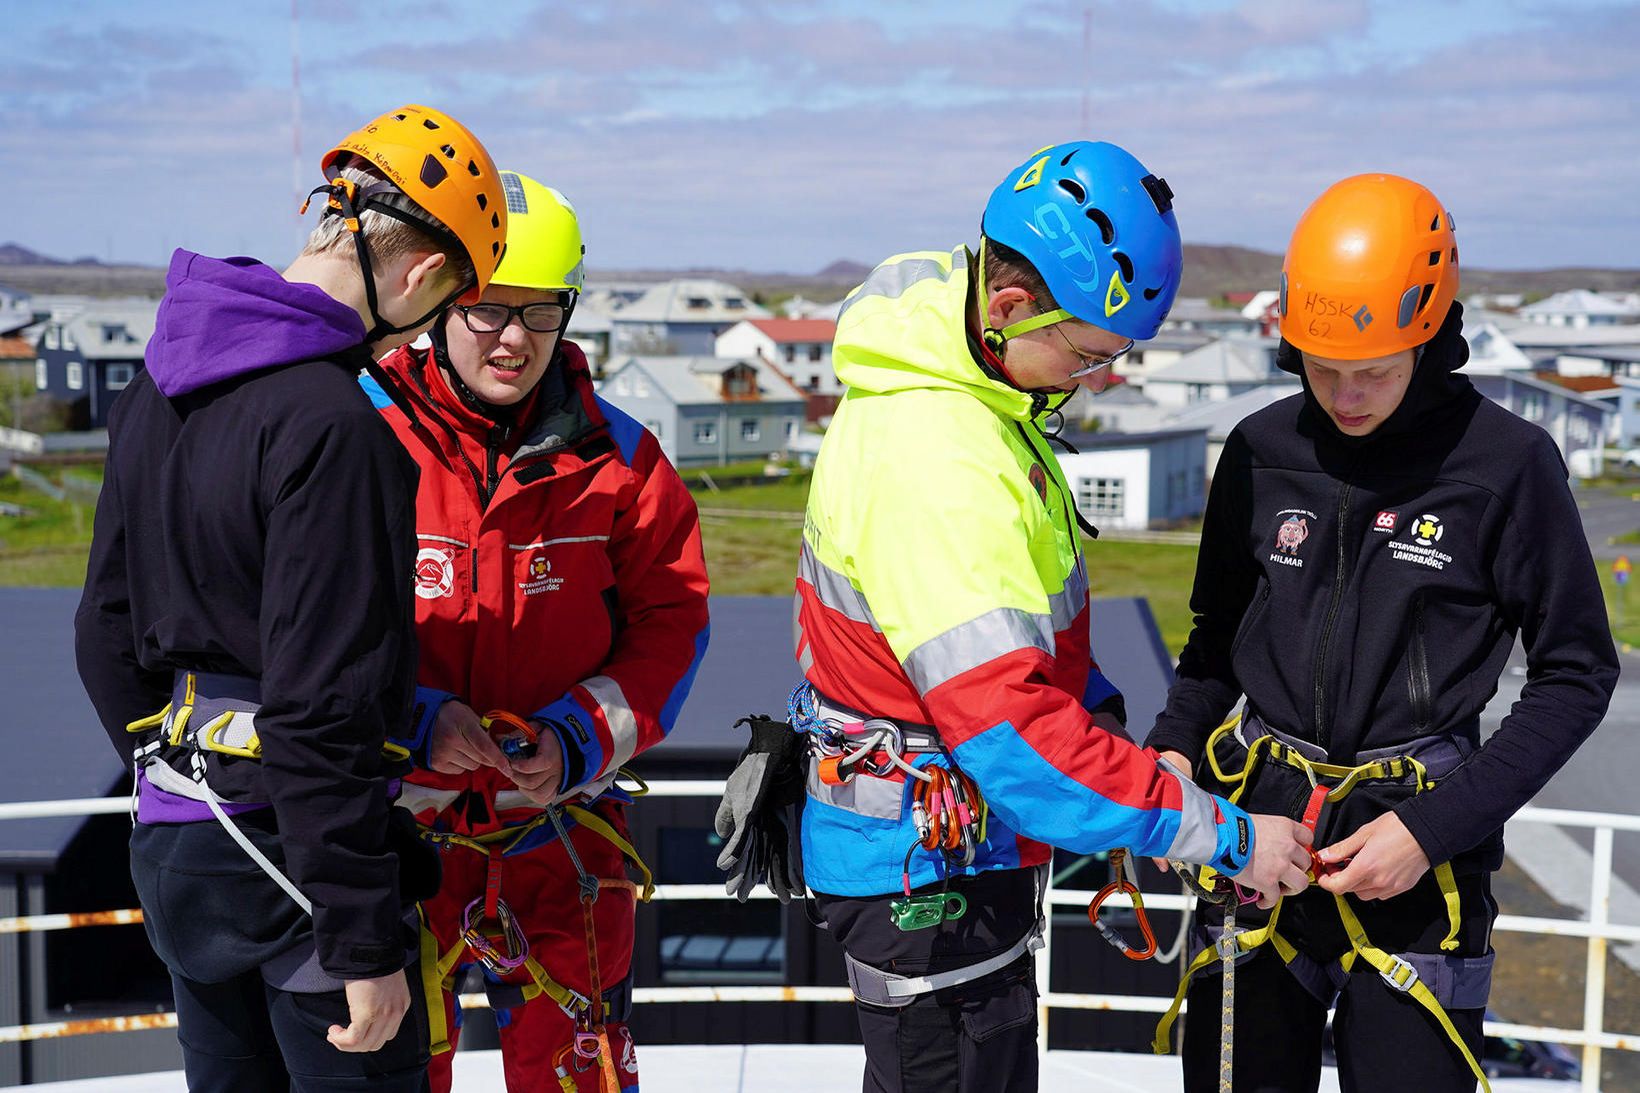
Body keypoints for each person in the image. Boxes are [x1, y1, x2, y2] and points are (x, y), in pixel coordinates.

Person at [719, 141, 1316, 1093]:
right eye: (1089, 352)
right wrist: (1227, 835)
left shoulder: (974, 397)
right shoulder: (943, 464)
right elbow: (1017, 736)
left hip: (946, 847)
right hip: (927, 871)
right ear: (1006, 308)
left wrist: (1117, 742)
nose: (1102, 379)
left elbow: (1036, 656)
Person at [1144, 174, 1620, 1092]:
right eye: (1324, 369)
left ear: (1431, 339)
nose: (1347, 396)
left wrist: (1429, 829)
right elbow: (1213, 641)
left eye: (1376, 371)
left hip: (1415, 851)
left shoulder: (1505, 466)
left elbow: (1575, 674)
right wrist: (1169, 754)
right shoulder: (1259, 451)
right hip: (1258, 836)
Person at [74, 104, 508, 1092]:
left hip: (182, 854)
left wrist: (174, 785)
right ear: (420, 277)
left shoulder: (160, 378)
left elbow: (105, 629)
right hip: (297, 876)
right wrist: (363, 939)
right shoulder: (334, 428)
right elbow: (320, 702)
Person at [364, 169, 710, 1093]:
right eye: (487, 306)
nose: (513, 337)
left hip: (564, 843)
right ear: (440, 299)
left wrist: (575, 737)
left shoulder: (623, 463)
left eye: (541, 310)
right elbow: (298, 629)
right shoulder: (360, 436)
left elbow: (671, 627)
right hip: (391, 844)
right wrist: (415, 720)